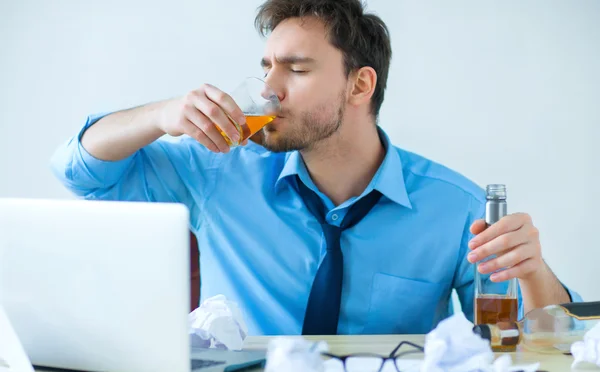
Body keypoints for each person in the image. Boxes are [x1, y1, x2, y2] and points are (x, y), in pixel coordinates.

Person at [50, 0, 581, 335]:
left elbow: (542, 342)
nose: (268, 90)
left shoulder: (455, 207)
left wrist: (532, 272)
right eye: (266, 68)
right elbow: (80, 172)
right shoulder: (219, 170)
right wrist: (159, 115)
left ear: (359, 85)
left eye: (297, 69)